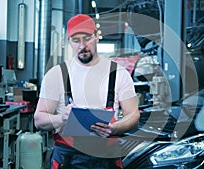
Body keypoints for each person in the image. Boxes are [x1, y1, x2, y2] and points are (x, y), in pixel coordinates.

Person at [34, 14, 140, 169]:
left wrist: (114, 128)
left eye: (87, 38)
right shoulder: (57, 74)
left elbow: (133, 114)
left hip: (107, 157)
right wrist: (61, 119)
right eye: (76, 40)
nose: (82, 45)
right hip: (68, 158)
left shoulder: (118, 73)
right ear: (68, 42)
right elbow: (38, 119)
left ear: (97, 36)